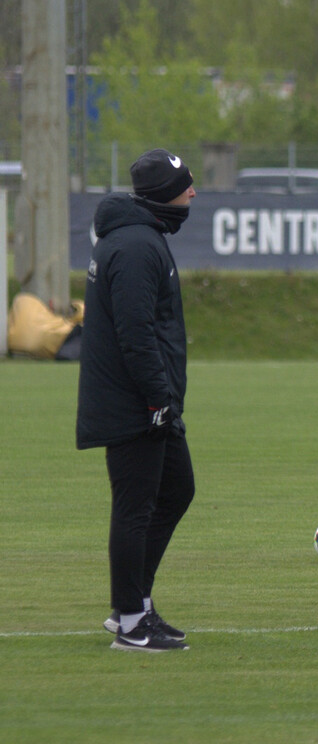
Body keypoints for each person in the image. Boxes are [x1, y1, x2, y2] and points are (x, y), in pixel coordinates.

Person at [77, 148, 197, 652]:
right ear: (163, 195)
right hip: (135, 404)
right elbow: (135, 333)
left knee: (176, 490)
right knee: (135, 508)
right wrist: (157, 398)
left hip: (150, 400)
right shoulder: (134, 247)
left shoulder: (141, 238)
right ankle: (129, 621)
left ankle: (136, 603)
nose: (193, 193)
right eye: (186, 185)